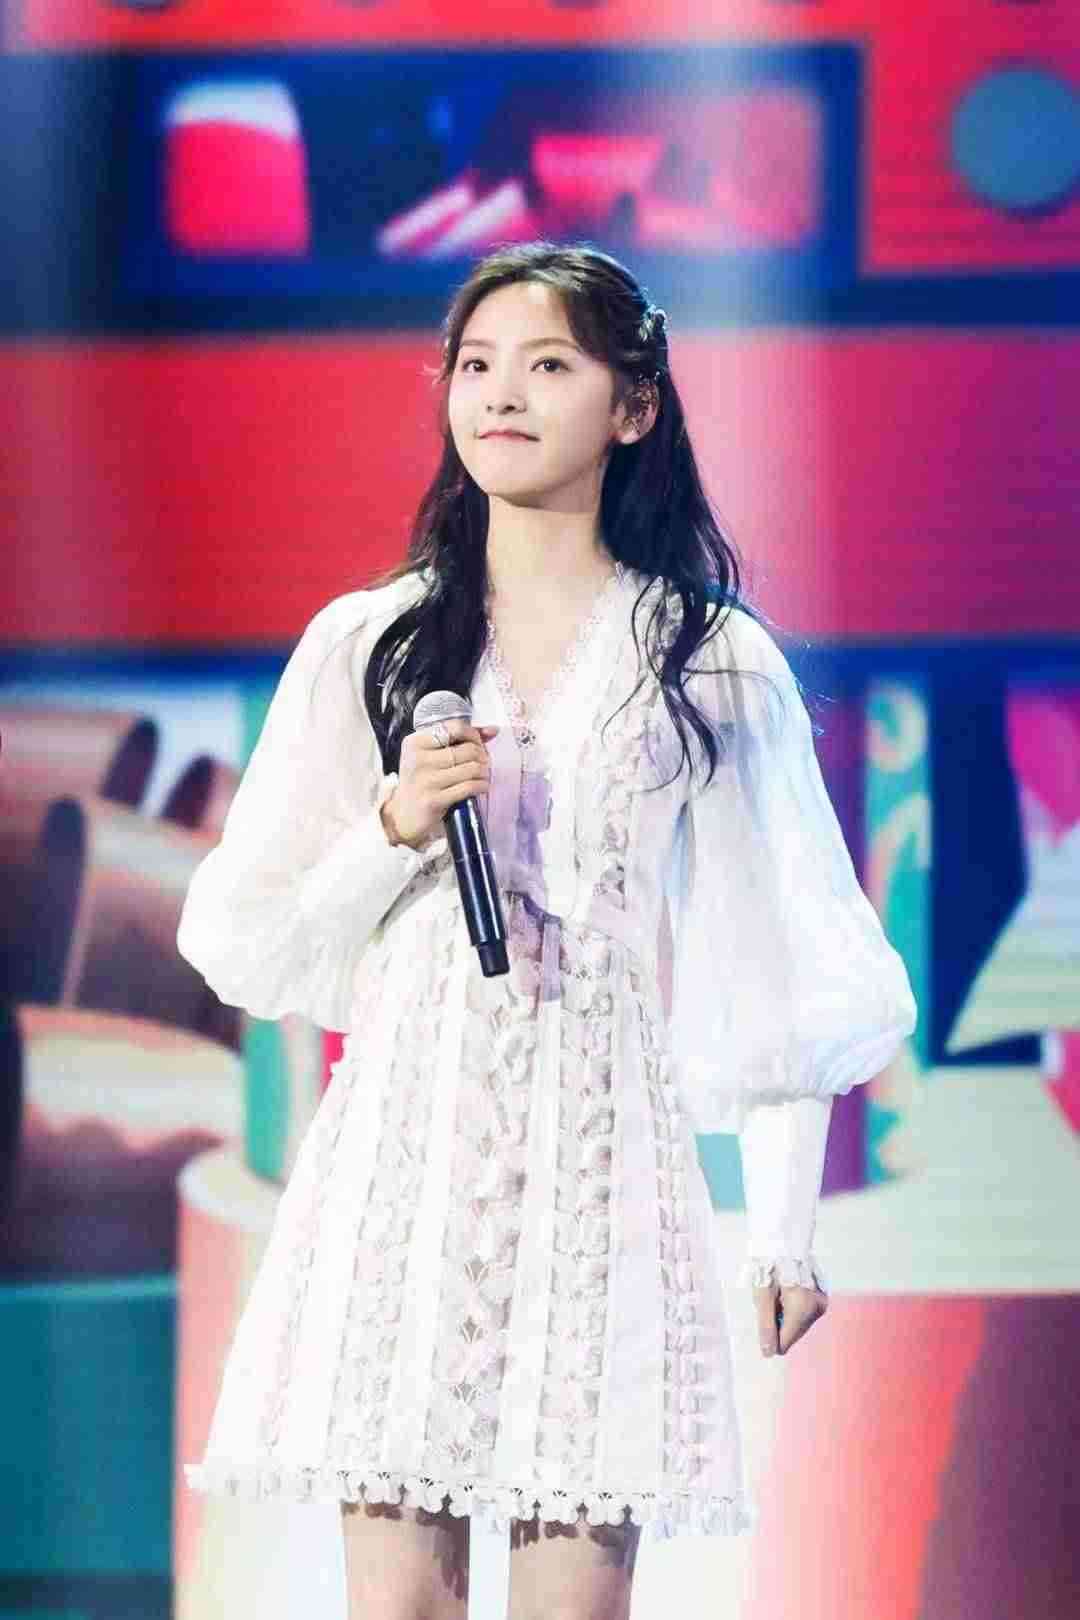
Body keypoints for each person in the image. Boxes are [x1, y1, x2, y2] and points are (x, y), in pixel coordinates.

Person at [177, 240, 917, 1620]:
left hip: (602, 1165)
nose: (501, 395)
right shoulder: (372, 642)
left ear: (633, 405)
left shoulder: (707, 656)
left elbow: (783, 955)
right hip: (408, 1158)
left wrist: (784, 1231)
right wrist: (393, 825)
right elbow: (247, 935)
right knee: (398, 1603)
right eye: (475, 366)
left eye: (548, 364)